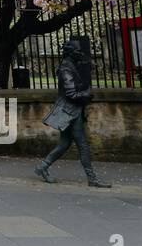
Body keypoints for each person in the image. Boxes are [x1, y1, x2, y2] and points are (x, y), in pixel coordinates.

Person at [34, 37, 111, 187]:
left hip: (71, 111)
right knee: (82, 145)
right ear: (70, 53)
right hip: (71, 112)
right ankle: (92, 179)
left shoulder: (70, 66)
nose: (80, 53)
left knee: (64, 143)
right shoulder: (66, 69)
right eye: (77, 51)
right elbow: (71, 94)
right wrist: (87, 95)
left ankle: (42, 167)